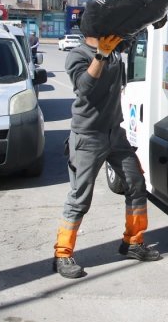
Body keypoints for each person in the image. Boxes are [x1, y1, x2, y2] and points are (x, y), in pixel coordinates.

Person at [52, 33, 161, 279]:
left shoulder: (114, 49)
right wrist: (100, 54)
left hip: (115, 133)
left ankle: (132, 242)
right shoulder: (78, 54)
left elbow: (133, 31)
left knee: (136, 184)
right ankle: (62, 254)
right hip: (88, 135)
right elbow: (85, 88)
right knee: (80, 197)